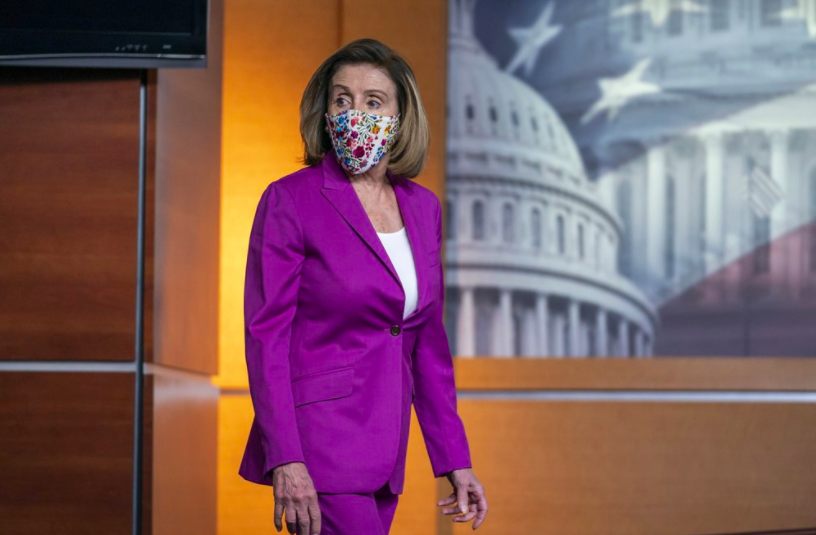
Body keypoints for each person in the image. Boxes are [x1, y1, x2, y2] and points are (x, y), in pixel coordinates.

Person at [238, 38, 488, 535]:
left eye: (374, 102)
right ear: (326, 111)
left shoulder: (423, 208)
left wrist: (454, 459)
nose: (356, 112)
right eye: (342, 99)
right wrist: (284, 458)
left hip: (384, 451)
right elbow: (266, 338)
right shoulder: (291, 199)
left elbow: (426, 347)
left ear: (400, 116)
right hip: (319, 449)